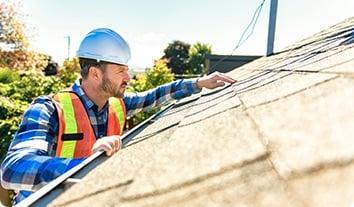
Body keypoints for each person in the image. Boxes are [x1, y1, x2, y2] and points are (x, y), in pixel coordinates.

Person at [0, 28, 236, 204]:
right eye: (121, 70)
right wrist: (85, 167)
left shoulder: (116, 105)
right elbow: (12, 168)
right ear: (94, 73)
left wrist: (198, 83)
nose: (128, 77)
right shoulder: (48, 109)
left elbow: (154, 95)